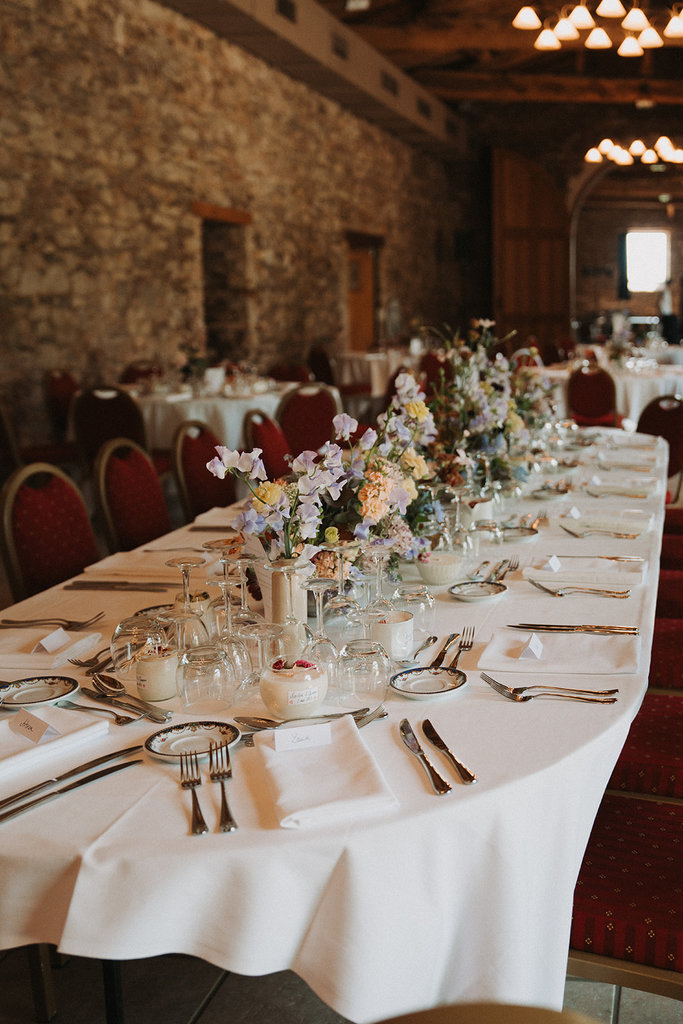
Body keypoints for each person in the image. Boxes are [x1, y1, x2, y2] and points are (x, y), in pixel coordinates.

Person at [659, 279, 680, 345]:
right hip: (666, 314)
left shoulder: (668, 292)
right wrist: (664, 313)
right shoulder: (665, 292)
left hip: (668, 313)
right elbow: (662, 304)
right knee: (668, 330)